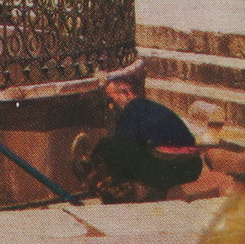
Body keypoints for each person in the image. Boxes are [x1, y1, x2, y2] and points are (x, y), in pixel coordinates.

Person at [87, 72, 203, 202]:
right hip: (192, 166)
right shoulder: (151, 107)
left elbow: (120, 143)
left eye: (112, 97)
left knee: (109, 145)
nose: (112, 103)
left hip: (170, 169)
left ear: (126, 93)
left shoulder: (132, 110)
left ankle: (125, 191)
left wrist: (95, 166)